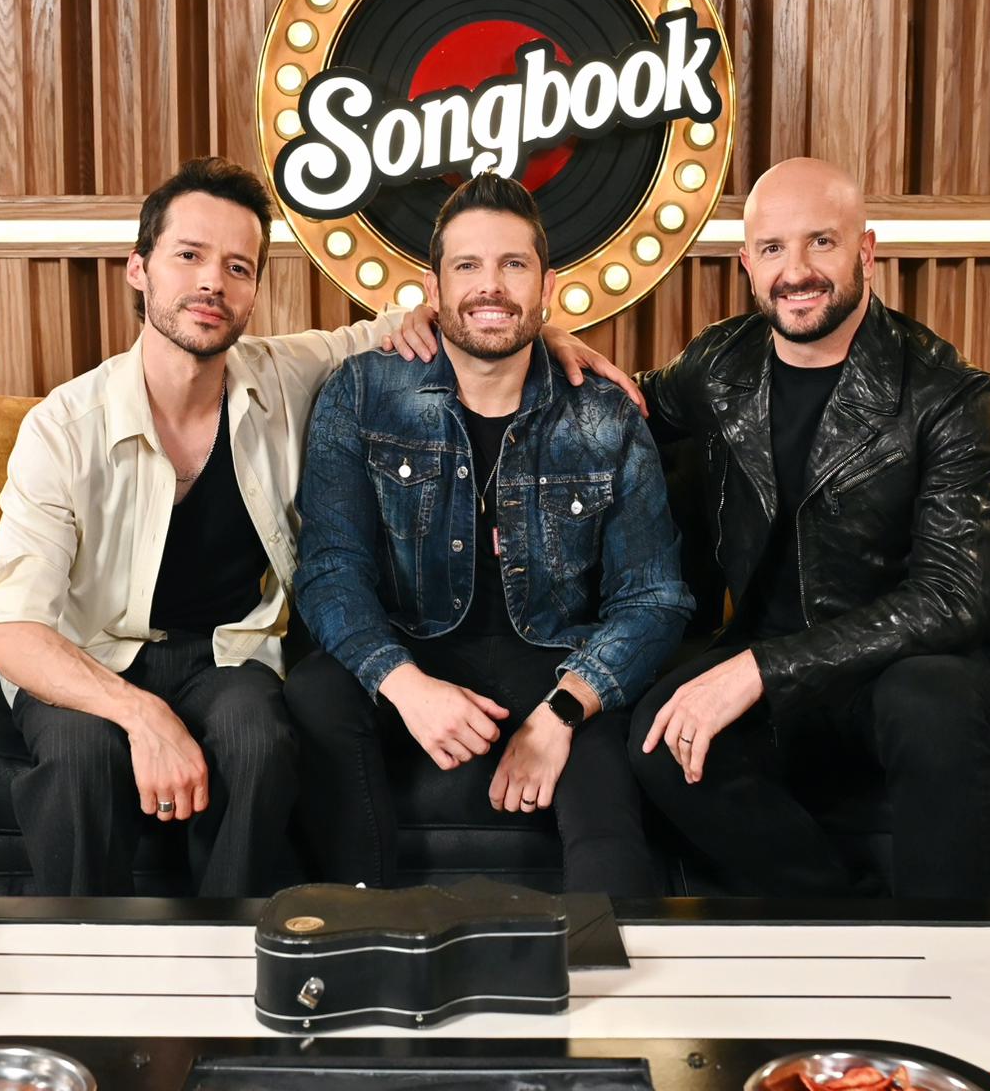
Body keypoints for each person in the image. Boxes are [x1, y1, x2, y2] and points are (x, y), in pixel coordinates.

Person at [0, 156, 444, 897]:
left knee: (259, 743)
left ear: (255, 290)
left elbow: (419, 327)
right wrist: (142, 716)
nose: (212, 284)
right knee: (80, 760)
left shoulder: (283, 376)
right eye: (189, 256)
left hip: (224, 653)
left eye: (237, 267)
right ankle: (80, 955)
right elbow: (12, 631)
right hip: (87, 656)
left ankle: (229, 949)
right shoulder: (63, 428)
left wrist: (551, 340)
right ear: (140, 268)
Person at [288, 172, 694, 895]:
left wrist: (562, 712)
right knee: (319, 694)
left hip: (557, 657)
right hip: (409, 646)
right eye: (468, 265)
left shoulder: (603, 414)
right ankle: (363, 934)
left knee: (606, 795)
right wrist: (406, 686)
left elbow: (654, 598)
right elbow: (330, 570)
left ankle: (604, 963)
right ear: (433, 288)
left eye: (513, 264)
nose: (491, 287)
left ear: (547, 286)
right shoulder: (362, 392)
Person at [629, 156, 990, 899]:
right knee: (657, 734)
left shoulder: (945, 392)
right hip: (772, 659)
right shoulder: (721, 364)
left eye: (821, 243)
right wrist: (553, 348)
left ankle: (951, 953)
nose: (796, 271)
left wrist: (762, 668)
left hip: (903, 662)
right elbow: (621, 409)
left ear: (865, 251)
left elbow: (951, 597)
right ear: (747, 263)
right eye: (773, 248)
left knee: (930, 706)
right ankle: (837, 915)